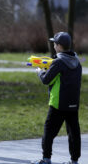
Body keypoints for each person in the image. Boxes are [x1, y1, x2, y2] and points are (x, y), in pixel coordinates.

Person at [33, 32, 82, 164]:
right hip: (73, 103)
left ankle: (46, 159)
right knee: (73, 134)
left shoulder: (58, 62)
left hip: (58, 104)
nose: (53, 45)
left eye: (55, 43)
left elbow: (46, 80)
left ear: (59, 46)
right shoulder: (77, 62)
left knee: (48, 132)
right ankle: (74, 161)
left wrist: (40, 71)